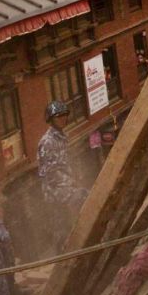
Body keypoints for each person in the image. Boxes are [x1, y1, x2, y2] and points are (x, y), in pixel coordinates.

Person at [37, 101, 88, 248]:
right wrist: (71, 184)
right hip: (55, 192)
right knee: (62, 230)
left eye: (64, 115)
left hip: (64, 187)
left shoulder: (61, 137)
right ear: (51, 119)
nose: (63, 119)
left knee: (69, 225)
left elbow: (64, 164)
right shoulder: (48, 142)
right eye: (58, 117)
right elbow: (50, 174)